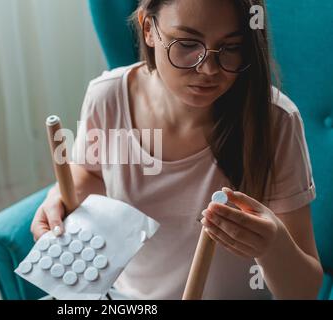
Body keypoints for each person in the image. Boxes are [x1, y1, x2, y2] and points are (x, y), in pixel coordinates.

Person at [31, 0, 323, 299]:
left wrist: (272, 245)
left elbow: (304, 290)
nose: (208, 68)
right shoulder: (107, 97)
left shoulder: (275, 122)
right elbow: (92, 174)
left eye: (232, 47)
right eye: (186, 43)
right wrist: (60, 196)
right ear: (148, 28)